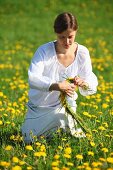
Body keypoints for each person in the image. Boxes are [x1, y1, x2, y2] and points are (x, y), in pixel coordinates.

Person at [22, 12, 98, 143]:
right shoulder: (44, 51)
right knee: (29, 140)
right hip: (41, 107)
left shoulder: (82, 52)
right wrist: (57, 86)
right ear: (55, 33)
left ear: (76, 32)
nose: (67, 41)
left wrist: (82, 82)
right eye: (62, 37)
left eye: (70, 37)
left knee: (68, 135)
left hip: (66, 107)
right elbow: (33, 78)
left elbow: (90, 79)